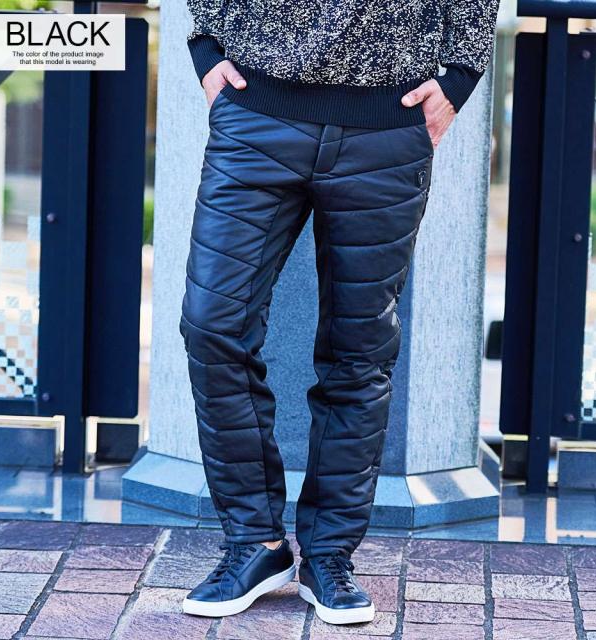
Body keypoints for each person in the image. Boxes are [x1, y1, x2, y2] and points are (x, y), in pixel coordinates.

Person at [180, 0, 499, 625]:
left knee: (360, 350)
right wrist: (205, 45)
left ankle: (329, 555)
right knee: (212, 325)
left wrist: (461, 73)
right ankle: (255, 543)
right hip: (255, 111)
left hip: (386, 126)